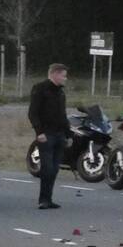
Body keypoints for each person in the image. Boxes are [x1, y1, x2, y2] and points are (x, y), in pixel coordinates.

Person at [28, 63, 72, 210]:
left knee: (54, 168)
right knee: (47, 167)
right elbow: (33, 112)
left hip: (60, 134)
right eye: (63, 75)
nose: (65, 79)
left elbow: (63, 115)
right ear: (55, 74)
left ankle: (49, 198)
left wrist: (69, 134)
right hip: (46, 135)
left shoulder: (60, 92)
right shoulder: (40, 89)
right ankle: (43, 199)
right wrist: (39, 132)